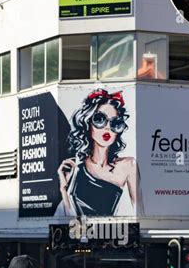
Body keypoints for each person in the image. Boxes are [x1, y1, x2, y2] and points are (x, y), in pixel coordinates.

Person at [55, 88, 143, 217]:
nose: (107, 127)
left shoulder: (128, 166)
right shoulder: (75, 170)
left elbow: (140, 214)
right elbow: (70, 219)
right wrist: (63, 189)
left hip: (112, 233)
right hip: (82, 233)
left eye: (115, 123)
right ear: (87, 122)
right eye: (100, 119)